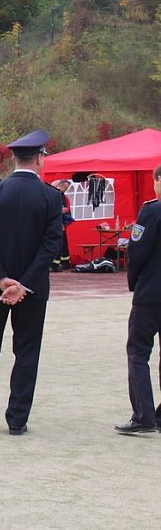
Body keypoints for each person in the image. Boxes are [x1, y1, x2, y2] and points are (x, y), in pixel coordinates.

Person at [0, 130, 62, 435]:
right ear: (38, 159)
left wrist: (0, 279)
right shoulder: (50, 197)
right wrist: (24, 284)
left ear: (14, 158)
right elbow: (51, 245)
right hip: (32, 291)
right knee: (27, 352)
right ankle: (17, 420)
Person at [114, 163, 161, 434]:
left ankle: (143, 416)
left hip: (152, 295)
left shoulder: (151, 211)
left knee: (138, 353)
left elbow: (137, 251)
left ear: (157, 180)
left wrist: (134, 283)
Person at [50, 179, 73, 272]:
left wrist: (65, 211)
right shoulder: (55, 195)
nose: (66, 189)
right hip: (56, 224)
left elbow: (67, 207)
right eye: (65, 187)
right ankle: (56, 264)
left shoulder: (62, 196)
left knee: (62, 244)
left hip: (60, 223)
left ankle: (61, 263)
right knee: (59, 243)